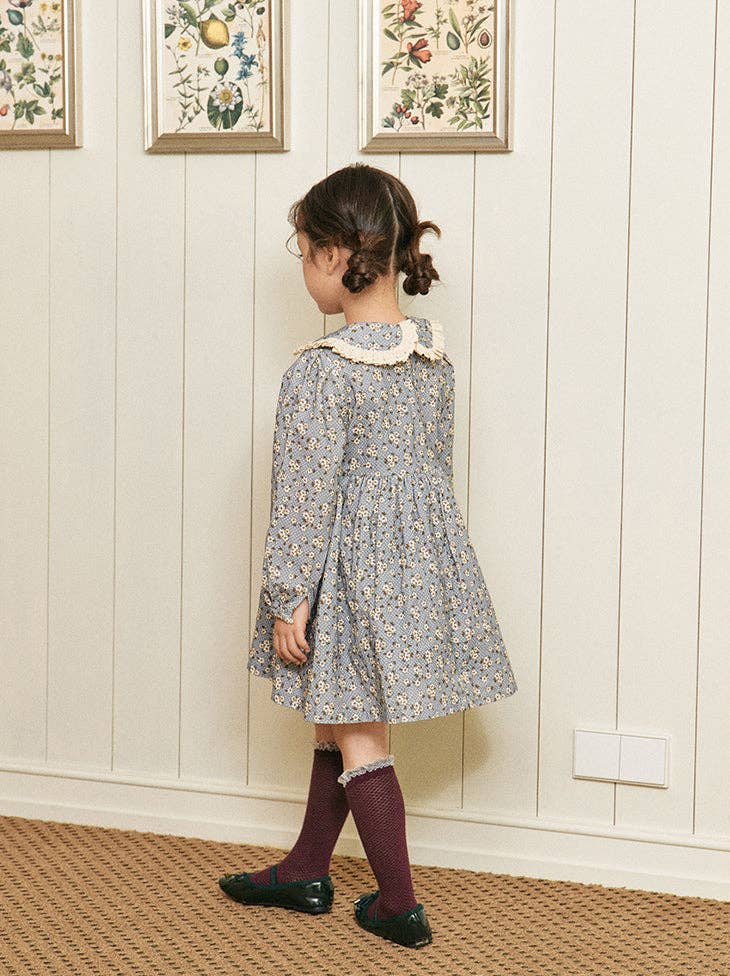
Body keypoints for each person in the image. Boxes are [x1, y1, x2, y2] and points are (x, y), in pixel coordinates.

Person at [219, 163, 518, 950]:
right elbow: (425, 478)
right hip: (417, 569)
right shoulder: (432, 359)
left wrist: (290, 592)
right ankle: (307, 868)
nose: (302, 269)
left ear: (333, 255)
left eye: (303, 250)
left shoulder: (321, 372)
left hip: (349, 575)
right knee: (340, 718)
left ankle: (398, 903)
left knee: (359, 736)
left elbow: (304, 495)